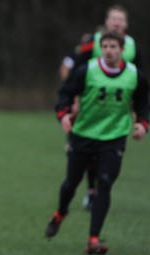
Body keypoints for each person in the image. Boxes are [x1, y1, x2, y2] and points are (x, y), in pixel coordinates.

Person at [45, 31, 149, 254]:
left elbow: (143, 102)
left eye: (114, 46)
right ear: (101, 48)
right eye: (106, 46)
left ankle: (93, 240)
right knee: (71, 184)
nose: (109, 50)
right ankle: (60, 213)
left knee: (104, 184)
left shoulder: (134, 75)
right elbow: (65, 93)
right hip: (83, 134)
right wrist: (63, 115)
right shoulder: (87, 70)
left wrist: (142, 123)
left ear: (122, 50)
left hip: (113, 138)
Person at [68, 5, 143, 210]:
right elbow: (75, 68)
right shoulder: (92, 42)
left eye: (121, 19)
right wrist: (74, 99)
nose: (117, 22)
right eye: (113, 18)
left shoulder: (133, 47)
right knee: (88, 149)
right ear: (107, 22)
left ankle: (98, 189)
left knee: (107, 151)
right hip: (90, 104)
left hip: (117, 108)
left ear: (126, 24)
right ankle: (92, 189)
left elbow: (140, 80)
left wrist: (138, 111)